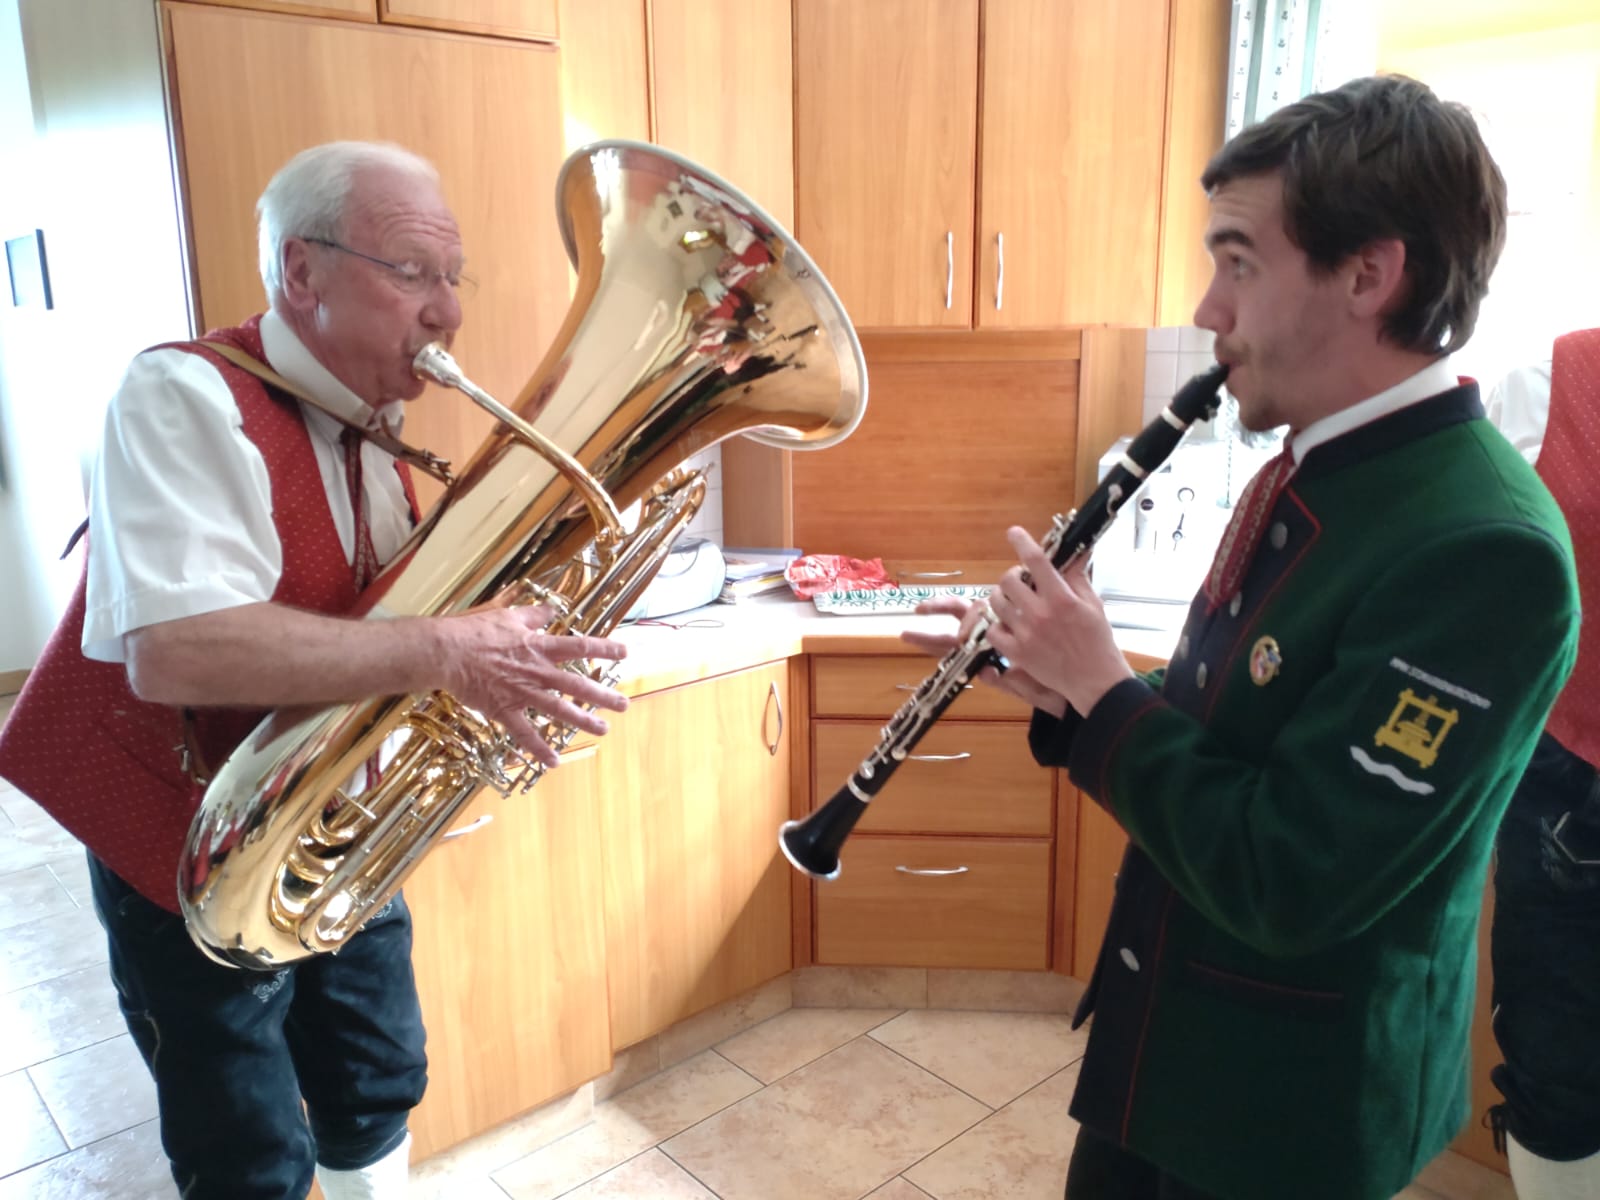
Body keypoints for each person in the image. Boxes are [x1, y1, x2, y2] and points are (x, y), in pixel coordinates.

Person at [905, 75, 1579, 1200]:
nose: (1207, 308)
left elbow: (1293, 873)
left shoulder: (1483, 547)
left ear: (1368, 274)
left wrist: (1108, 696)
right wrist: (1071, 679)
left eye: (1239, 262)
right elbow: (1245, 726)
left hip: (1282, 1107)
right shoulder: (1318, 466)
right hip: (1172, 1035)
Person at [0, 141, 630, 1200]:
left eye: (454, 278)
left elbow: (374, 627)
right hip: (180, 830)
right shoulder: (181, 396)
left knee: (377, 1074)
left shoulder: (376, 428)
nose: (448, 313)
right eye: (413, 272)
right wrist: (447, 652)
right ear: (302, 271)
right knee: (242, 1135)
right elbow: (176, 649)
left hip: (332, 817)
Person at [1482, 329, 1600, 1199]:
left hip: (1563, 783)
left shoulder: (1550, 379)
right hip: (1567, 793)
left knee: (1558, 1074)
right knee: (1556, 1078)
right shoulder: (1544, 383)